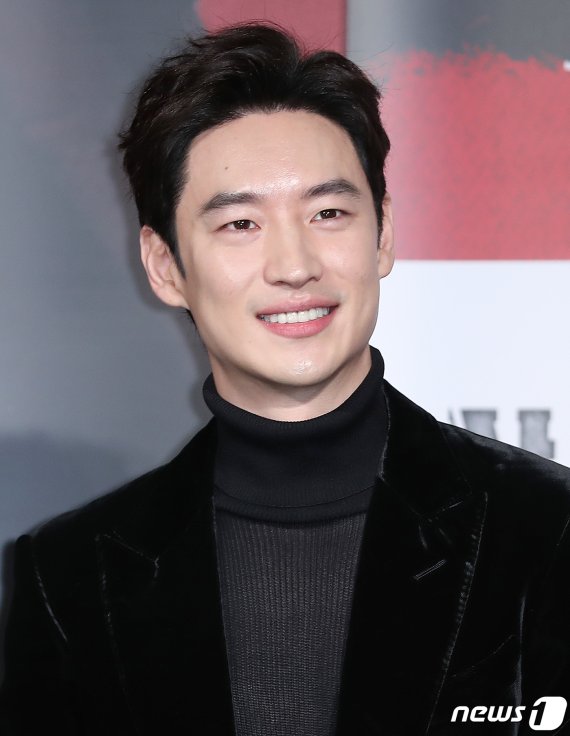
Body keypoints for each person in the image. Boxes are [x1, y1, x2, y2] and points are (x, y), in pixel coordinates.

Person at [1, 22, 569, 736]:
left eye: (328, 213)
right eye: (241, 224)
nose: (295, 265)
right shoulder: (68, 577)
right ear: (165, 266)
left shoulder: (547, 532)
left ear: (383, 234)